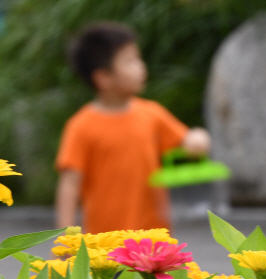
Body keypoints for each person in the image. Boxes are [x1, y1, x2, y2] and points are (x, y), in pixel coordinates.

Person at [55, 22, 210, 234]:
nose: (141, 67)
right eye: (130, 61)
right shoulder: (81, 126)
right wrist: (66, 235)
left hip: (154, 240)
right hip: (106, 245)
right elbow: (70, 183)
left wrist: (198, 138)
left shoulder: (152, 114)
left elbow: (187, 141)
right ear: (103, 78)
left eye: (138, 59)